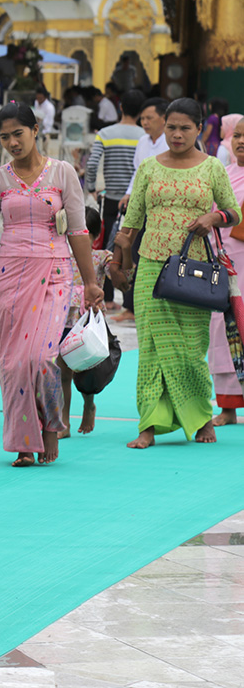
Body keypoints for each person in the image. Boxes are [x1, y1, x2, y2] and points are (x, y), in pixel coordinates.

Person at [0, 103, 104, 467]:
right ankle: (25, 441)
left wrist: (90, 282)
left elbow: (77, 230)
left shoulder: (62, 173)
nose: (12, 142)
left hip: (53, 274)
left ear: (36, 129)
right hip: (11, 277)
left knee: (41, 358)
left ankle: (51, 426)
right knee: (11, 363)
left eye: (17, 134)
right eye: (4, 137)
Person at [113, 98, 240, 449]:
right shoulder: (150, 168)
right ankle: (149, 426)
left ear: (200, 129)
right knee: (152, 348)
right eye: (171, 127)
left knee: (190, 348)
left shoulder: (212, 167)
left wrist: (213, 218)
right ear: (163, 128)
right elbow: (132, 223)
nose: (177, 134)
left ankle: (200, 419)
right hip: (152, 268)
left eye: (185, 128)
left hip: (195, 272)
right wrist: (117, 263)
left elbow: (233, 213)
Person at [83, 89, 144, 308]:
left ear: (120, 107)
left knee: (105, 247)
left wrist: (91, 187)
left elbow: (91, 163)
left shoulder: (106, 133)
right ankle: (129, 302)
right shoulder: (145, 137)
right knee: (132, 248)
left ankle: (106, 298)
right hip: (136, 202)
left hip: (111, 199)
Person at [113, 97, 170, 322]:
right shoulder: (143, 142)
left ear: (163, 119)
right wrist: (128, 193)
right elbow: (137, 173)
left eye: (149, 118)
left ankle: (160, 303)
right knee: (131, 251)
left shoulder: (171, 142)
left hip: (161, 209)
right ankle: (130, 306)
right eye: (142, 118)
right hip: (139, 207)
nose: (144, 122)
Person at [58, 207, 112, 436]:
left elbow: (119, 274)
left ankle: (88, 404)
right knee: (63, 370)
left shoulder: (100, 257)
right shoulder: (58, 256)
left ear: (94, 236)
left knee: (85, 369)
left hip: (87, 320)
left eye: (83, 234)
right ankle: (63, 421)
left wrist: (122, 252)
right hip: (62, 317)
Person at [210, 121, 244, 425]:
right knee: (223, 330)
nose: (241, 141)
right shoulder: (223, 176)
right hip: (227, 264)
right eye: (239, 135)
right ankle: (228, 407)